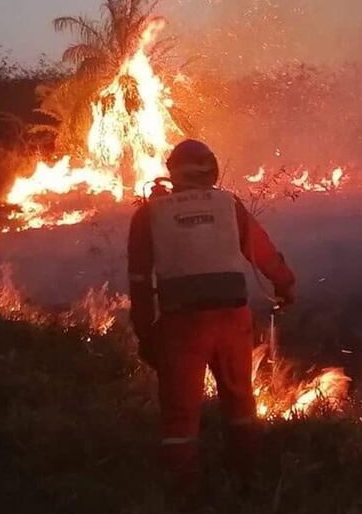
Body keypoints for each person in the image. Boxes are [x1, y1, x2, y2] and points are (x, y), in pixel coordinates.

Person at [127, 139, 296, 493]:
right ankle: (249, 481)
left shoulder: (149, 214)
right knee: (240, 400)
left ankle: (184, 493)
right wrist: (285, 285)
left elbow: (140, 281)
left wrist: (146, 334)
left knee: (179, 413)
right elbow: (264, 253)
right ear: (212, 171)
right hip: (232, 319)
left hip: (181, 327)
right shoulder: (228, 205)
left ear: (172, 173)